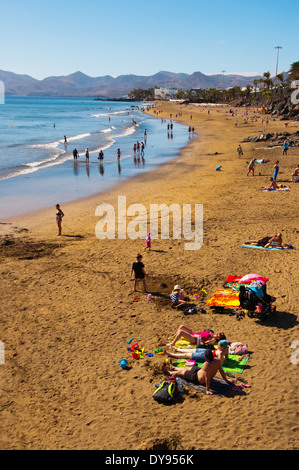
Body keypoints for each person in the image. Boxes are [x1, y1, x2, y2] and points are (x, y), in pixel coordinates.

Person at [162, 348, 234, 395]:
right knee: (187, 368)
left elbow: (207, 379)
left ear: (205, 357)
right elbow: (221, 371)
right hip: (199, 371)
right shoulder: (217, 361)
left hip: (196, 378)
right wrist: (226, 380)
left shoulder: (206, 365)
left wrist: (207, 390)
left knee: (180, 372)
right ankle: (173, 368)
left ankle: (168, 373)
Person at [164, 339, 231, 363]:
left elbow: (219, 363)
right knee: (191, 350)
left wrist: (220, 357)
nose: (217, 346)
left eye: (219, 345)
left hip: (205, 356)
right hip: (208, 351)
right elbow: (227, 357)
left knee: (186, 355)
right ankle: (177, 349)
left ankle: (170, 354)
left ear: (223, 347)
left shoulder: (221, 353)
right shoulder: (226, 348)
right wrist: (226, 357)